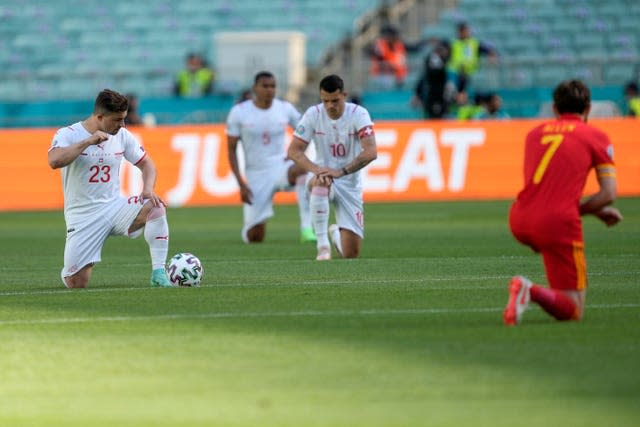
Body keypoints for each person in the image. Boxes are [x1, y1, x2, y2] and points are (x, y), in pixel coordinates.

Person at [504, 79, 623, 326]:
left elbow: (549, 189)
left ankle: (530, 290)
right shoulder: (596, 136)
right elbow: (609, 194)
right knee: (573, 310)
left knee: (552, 250)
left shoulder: (534, 134)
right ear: (588, 109)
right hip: (556, 223)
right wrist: (585, 210)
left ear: (555, 109)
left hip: (519, 218)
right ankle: (529, 290)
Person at [47, 89, 172, 288]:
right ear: (99, 117)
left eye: (123, 119)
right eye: (117, 120)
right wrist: (88, 142)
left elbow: (148, 165)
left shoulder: (122, 135)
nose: (122, 124)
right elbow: (54, 161)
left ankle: (159, 273)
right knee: (77, 283)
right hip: (83, 216)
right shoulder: (69, 134)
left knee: (155, 206)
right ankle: (76, 266)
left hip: (114, 208)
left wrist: (147, 189)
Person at [287, 74, 378, 261]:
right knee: (321, 181)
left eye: (335, 100)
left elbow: (371, 152)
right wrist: (316, 169)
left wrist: (341, 171)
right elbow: (294, 151)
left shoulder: (359, 114)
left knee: (351, 255)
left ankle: (336, 234)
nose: (330, 106)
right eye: (325, 101)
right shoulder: (313, 114)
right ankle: (322, 247)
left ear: (344, 95)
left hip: (349, 184)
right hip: (323, 177)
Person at [226, 71, 315, 244]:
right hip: (256, 174)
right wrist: (241, 184)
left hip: (280, 166)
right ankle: (251, 227)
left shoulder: (284, 108)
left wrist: (295, 154)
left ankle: (306, 227)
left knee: (302, 168)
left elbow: (307, 131)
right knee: (255, 237)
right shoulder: (239, 112)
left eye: (273, 86)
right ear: (255, 88)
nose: (269, 90)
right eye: (265, 86)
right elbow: (231, 150)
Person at [447, 22, 498, 93]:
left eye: (467, 31)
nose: (467, 33)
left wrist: (492, 55)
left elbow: (488, 50)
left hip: (471, 72)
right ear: (460, 32)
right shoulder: (453, 44)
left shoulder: (474, 43)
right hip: (456, 72)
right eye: (465, 31)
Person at [411, 39, 456, 119]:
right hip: (434, 97)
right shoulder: (435, 63)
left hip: (442, 97)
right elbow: (425, 77)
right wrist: (418, 94)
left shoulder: (449, 66)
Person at [368, 25, 409, 89]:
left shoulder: (399, 45)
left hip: (399, 76)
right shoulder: (379, 45)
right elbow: (381, 60)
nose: (394, 37)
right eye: (389, 35)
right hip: (383, 75)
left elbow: (402, 61)